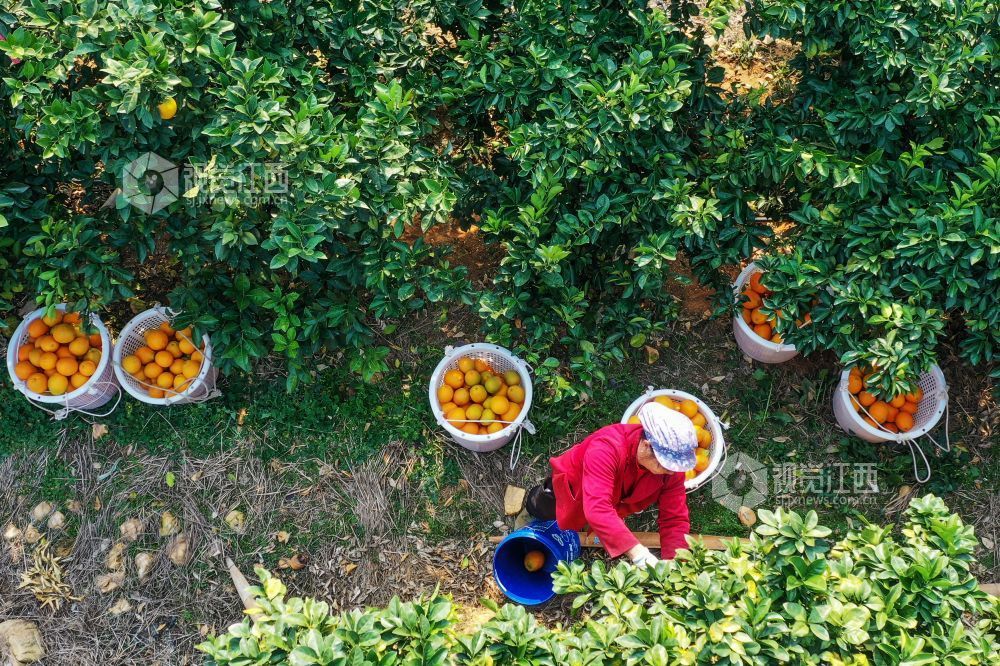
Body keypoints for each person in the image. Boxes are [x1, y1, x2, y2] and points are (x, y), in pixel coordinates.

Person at [519, 402, 695, 566]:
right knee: (547, 505)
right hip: (575, 487)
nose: (673, 472)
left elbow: (674, 518)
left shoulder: (671, 470)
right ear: (647, 445)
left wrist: (676, 563)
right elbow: (598, 508)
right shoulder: (606, 448)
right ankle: (533, 510)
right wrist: (639, 554)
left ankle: (595, 526)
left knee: (600, 519)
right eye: (666, 464)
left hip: (613, 501)